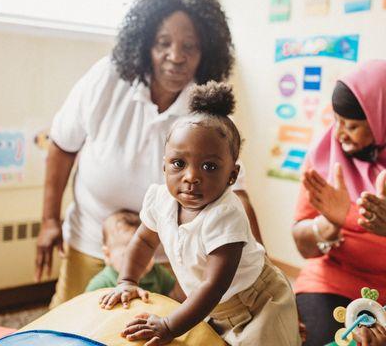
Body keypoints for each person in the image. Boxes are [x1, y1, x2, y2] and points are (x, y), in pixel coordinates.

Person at [34, 0, 263, 308]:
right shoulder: (107, 77)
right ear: (145, 45)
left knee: (152, 333)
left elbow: (237, 195)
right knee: (68, 327)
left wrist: (262, 272)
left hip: (166, 255)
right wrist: (49, 221)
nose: (176, 56)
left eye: (190, 47)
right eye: (163, 44)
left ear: (205, 53)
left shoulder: (209, 115)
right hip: (91, 240)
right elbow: (62, 145)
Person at [100, 82, 301, 346]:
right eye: (178, 163)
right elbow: (144, 241)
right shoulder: (160, 199)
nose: (192, 176)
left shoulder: (226, 215)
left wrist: (169, 325)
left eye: (209, 166)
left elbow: (213, 286)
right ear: (164, 166)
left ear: (232, 175)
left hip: (256, 304)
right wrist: (127, 280)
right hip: (213, 307)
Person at [292, 60, 386, 346]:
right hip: (331, 280)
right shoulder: (322, 157)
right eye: (337, 120)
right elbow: (302, 244)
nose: (340, 133)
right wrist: (326, 226)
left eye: (353, 126)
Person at [85, 210, 184, 302]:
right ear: (108, 255)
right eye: (127, 255)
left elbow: (173, 297)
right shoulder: (100, 285)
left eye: (145, 253)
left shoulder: (157, 272)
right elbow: (87, 312)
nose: (138, 259)